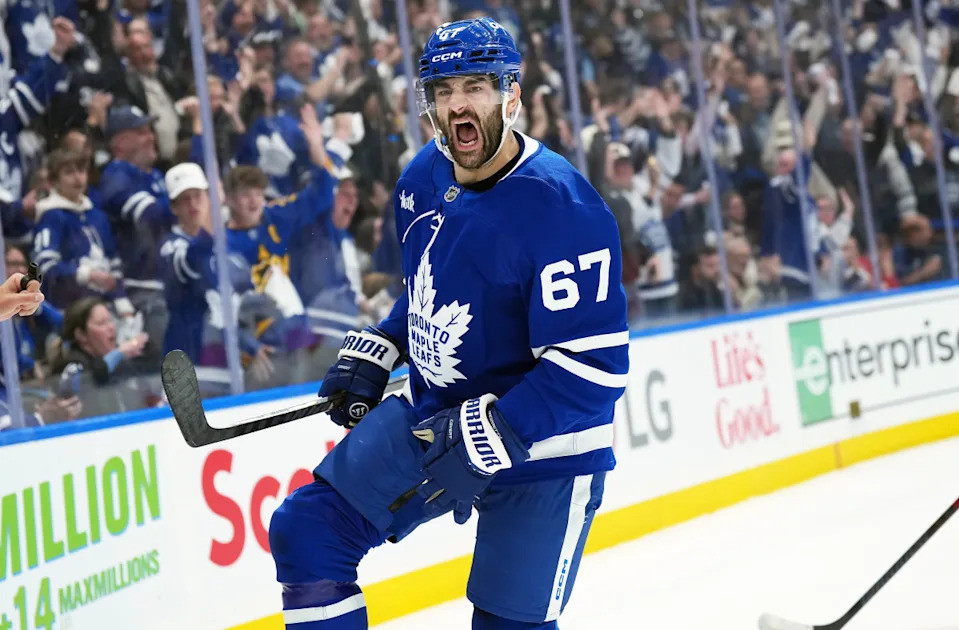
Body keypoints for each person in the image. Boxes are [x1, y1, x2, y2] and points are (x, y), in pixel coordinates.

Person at [268, 18, 629, 630]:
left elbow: (591, 371)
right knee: (308, 529)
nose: (456, 103)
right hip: (437, 419)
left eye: (476, 86)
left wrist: (491, 435)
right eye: (442, 89)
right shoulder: (423, 180)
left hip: (547, 450)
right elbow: (430, 295)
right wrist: (383, 343)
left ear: (511, 95)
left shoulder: (563, 208)